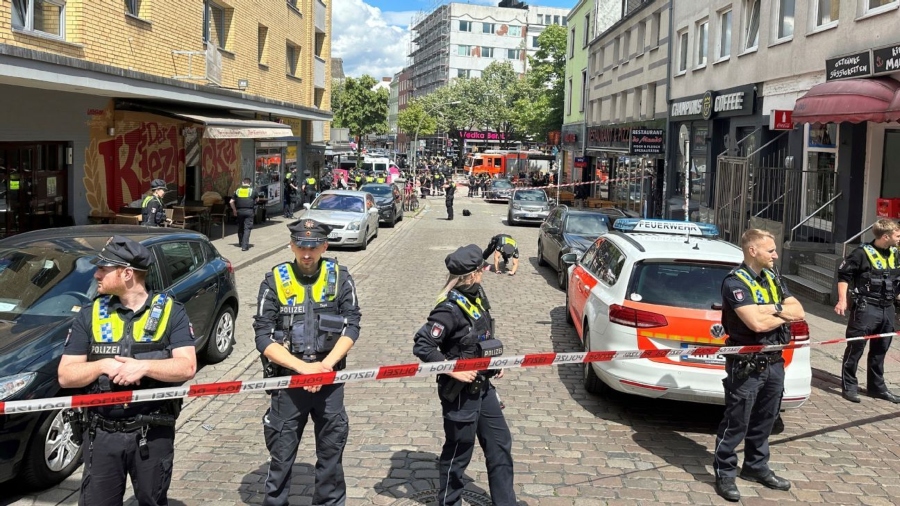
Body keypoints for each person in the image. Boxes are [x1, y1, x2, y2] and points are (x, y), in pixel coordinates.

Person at [58, 236, 196, 506]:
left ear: (128, 273)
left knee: (152, 500)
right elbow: (65, 375)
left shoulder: (171, 312)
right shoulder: (90, 314)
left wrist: (144, 367)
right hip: (101, 434)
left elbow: (187, 366)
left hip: (152, 431)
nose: (96, 274)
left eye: (104, 269)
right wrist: (101, 365)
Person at [253, 219, 362, 506]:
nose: (306, 254)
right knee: (281, 457)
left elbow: (352, 325)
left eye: (313, 247)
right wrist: (303, 369)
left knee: (331, 456)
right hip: (289, 382)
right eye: (301, 246)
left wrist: (324, 367)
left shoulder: (340, 277)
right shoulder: (274, 280)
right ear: (291, 245)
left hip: (330, 381)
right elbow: (263, 337)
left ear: (324, 246)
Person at [413, 244, 516, 506]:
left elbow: (479, 338)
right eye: (481, 269)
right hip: (460, 394)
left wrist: (493, 362)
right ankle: (449, 502)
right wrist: (452, 368)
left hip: (484, 386)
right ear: (470, 275)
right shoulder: (448, 309)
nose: (484, 272)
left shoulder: (476, 295)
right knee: (459, 452)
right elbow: (423, 344)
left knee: (500, 443)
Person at [713, 229, 804, 502]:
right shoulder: (735, 282)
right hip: (747, 365)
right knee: (736, 422)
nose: (776, 255)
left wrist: (768, 309)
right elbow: (756, 324)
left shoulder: (773, 276)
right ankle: (725, 473)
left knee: (766, 419)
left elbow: (799, 311)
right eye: (771, 250)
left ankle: (755, 467)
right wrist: (779, 311)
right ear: (753, 251)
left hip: (775, 361)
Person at [834, 218, 900, 403]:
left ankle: (876, 388)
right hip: (866, 308)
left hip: (887, 308)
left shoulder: (896, 253)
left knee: (881, 350)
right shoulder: (861, 253)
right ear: (885, 236)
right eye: (897, 235)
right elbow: (844, 275)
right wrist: (841, 301)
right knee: (856, 348)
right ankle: (849, 386)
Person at [230, 178, 258, 252]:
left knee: (240, 227)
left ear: (242, 183)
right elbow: (257, 200)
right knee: (247, 228)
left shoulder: (238, 190)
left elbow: (231, 202)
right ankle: (244, 246)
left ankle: (240, 243)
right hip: (249, 211)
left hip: (239, 211)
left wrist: (234, 210)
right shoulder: (253, 190)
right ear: (250, 183)